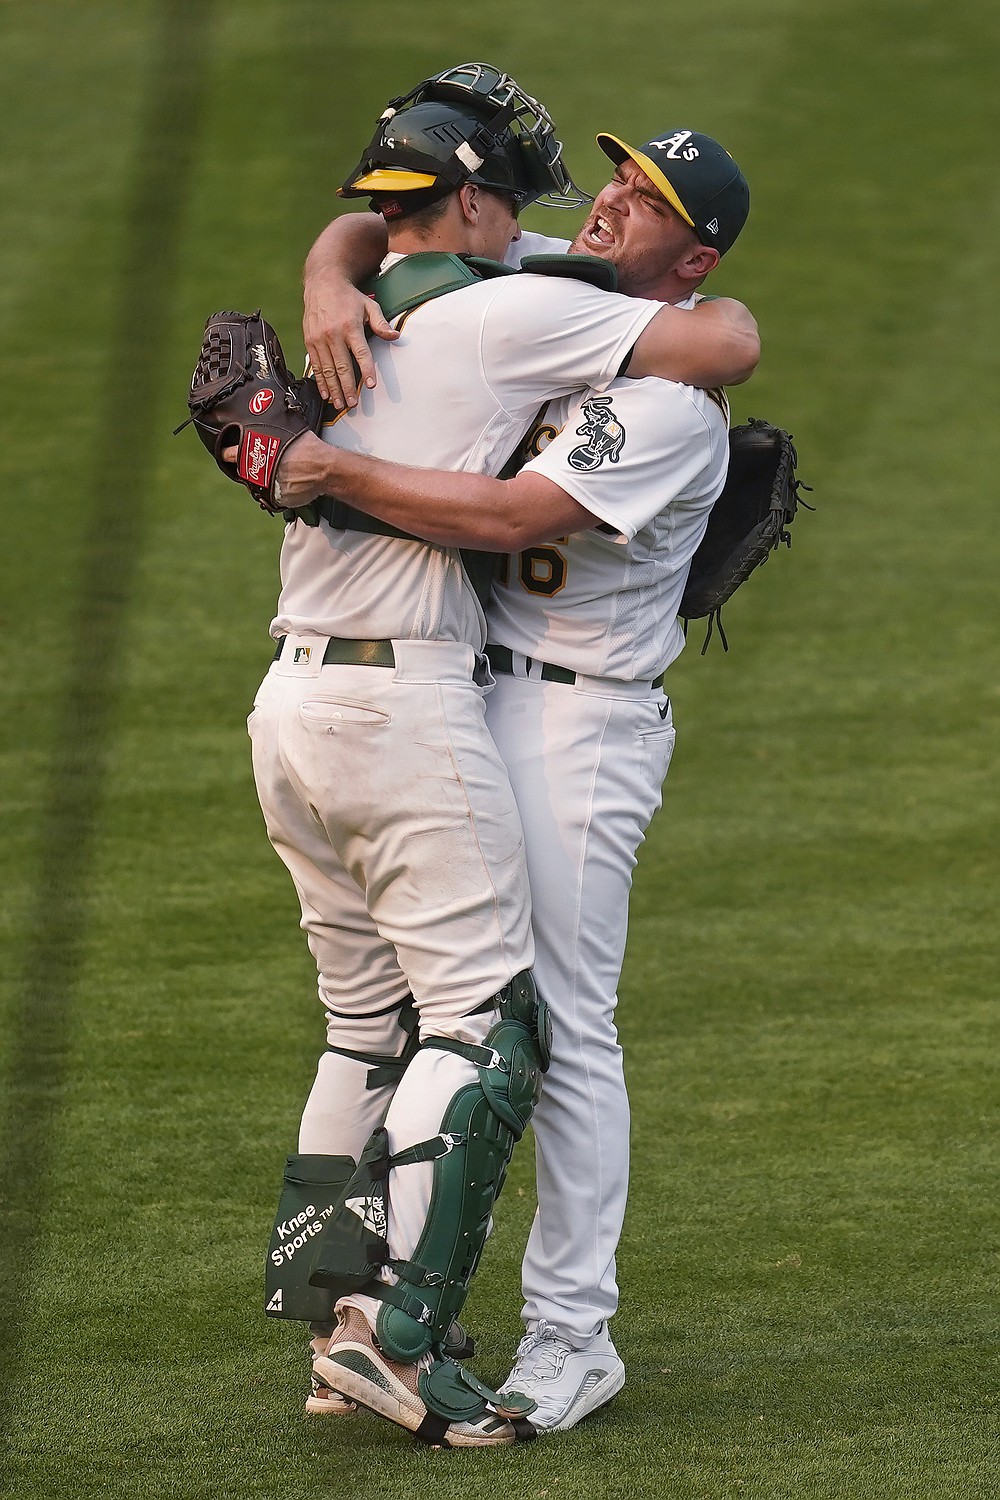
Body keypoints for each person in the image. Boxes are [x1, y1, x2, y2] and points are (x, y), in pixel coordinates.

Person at [272, 121, 752, 1433]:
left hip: (575, 728)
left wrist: (330, 472)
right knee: (427, 1018)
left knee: (557, 1031)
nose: (606, 204)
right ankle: (357, 1315)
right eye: (612, 178)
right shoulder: (559, 277)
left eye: (644, 202)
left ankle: (572, 1336)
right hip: (456, 699)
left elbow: (510, 520)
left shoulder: (665, 402)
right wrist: (327, 278)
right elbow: (390, 228)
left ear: (692, 255)